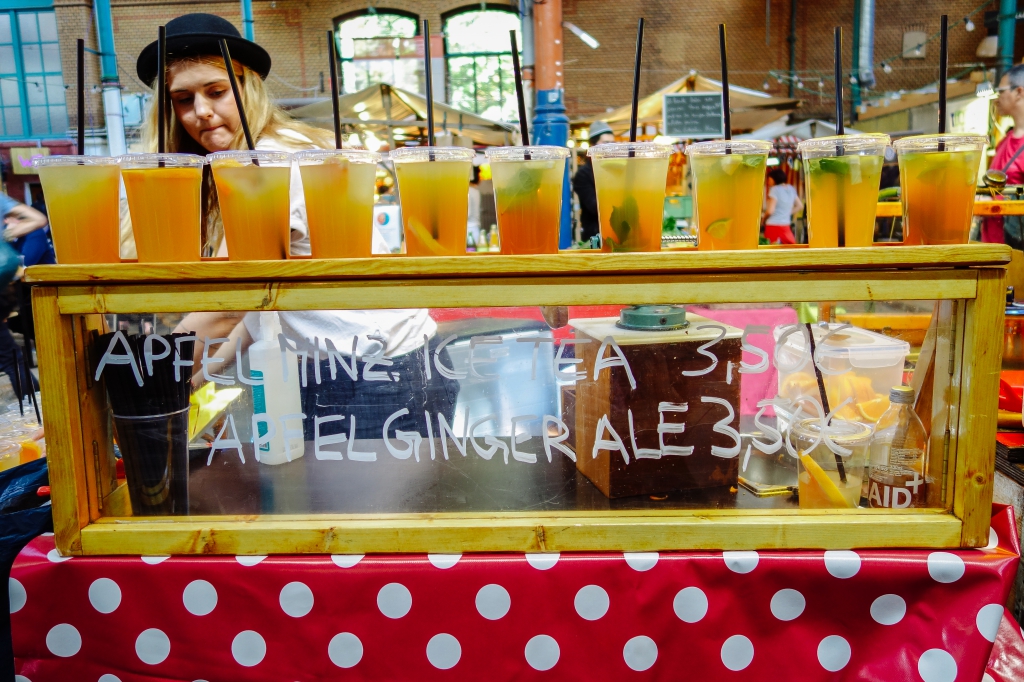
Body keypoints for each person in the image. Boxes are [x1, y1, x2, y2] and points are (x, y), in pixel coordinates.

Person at [133, 13, 457, 439]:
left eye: (217, 92)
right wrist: (194, 380)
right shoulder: (244, 164)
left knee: (358, 507)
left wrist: (141, 385)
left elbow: (226, 305)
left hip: (381, 373)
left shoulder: (270, 163)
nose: (202, 113)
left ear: (248, 87)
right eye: (183, 99)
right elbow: (254, 303)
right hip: (349, 369)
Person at [983, 63, 1024, 248]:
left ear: (1019, 92)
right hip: (992, 247)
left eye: (1001, 91)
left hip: (1014, 252)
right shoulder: (1005, 140)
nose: (997, 98)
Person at [572, 121, 615, 243]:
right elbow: (595, 206)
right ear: (593, 145)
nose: (611, 147)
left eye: (613, 143)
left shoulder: (617, 170)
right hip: (596, 237)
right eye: (606, 143)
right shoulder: (583, 174)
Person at [762, 168, 802, 245]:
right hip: (786, 226)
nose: (768, 182)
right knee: (790, 249)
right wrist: (786, 213)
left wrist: (763, 219)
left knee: (772, 251)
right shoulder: (791, 188)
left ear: (774, 179)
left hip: (773, 226)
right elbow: (799, 206)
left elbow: (770, 211)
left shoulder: (774, 189)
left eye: (769, 179)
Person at [467, 165, 481, 245]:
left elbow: (467, 213)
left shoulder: (468, 191)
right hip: (475, 228)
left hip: (469, 230)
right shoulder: (476, 191)